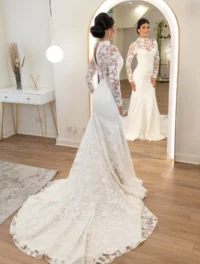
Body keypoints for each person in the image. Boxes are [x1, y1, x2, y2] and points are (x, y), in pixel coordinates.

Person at [10, 13, 157, 264]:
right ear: (110, 30)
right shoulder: (109, 51)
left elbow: (89, 75)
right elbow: (113, 83)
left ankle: (111, 173)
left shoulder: (98, 47)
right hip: (109, 100)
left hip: (99, 98)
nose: (113, 30)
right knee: (112, 140)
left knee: (101, 140)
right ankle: (115, 176)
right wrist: (119, 104)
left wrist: (96, 93)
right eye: (112, 27)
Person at [124, 18, 168, 141]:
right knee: (139, 100)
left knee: (150, 100)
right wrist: (130, 79)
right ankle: (137, 128)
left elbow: (157, 60)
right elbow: (128, 62)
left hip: (149, 78)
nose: (146, 29)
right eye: (143, 27)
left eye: (148, 27)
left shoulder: (154, 42)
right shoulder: (134, 44)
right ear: (138, 30)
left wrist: (154, 76)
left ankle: (151, 128)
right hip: (139, 76)